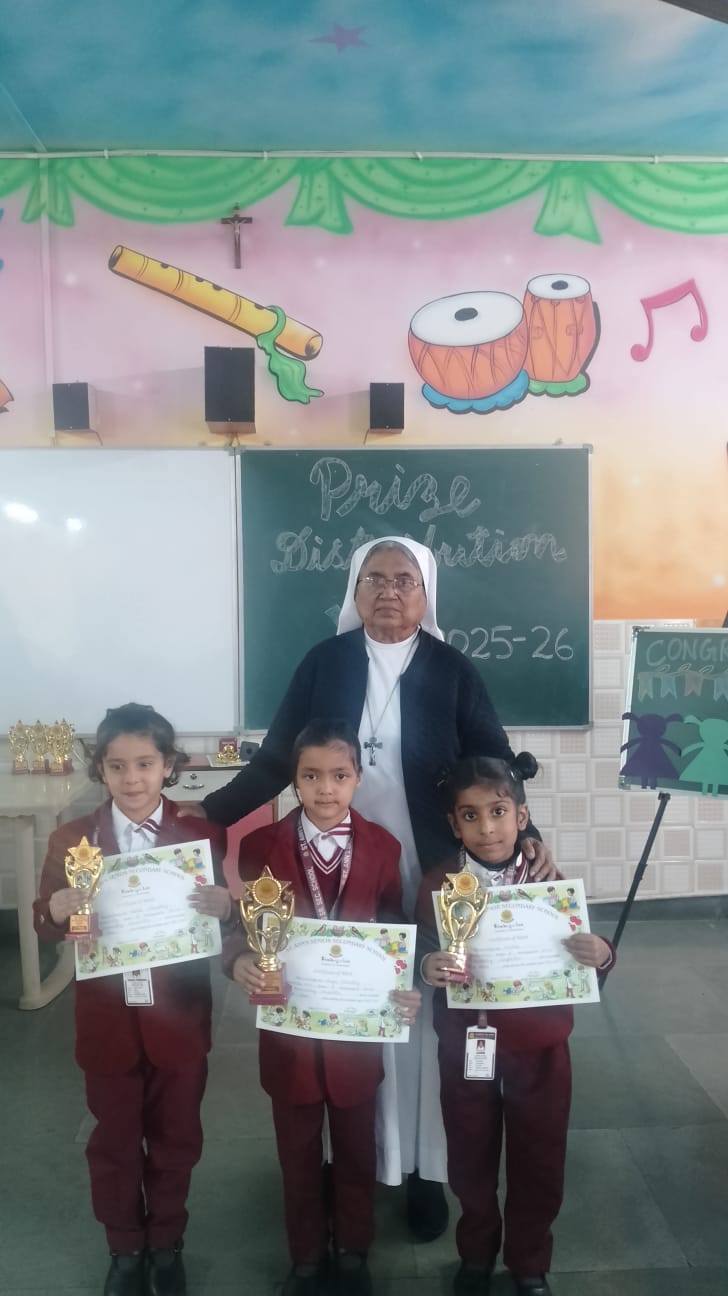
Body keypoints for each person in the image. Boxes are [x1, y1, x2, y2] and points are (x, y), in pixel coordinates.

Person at [182, 536, 553, 1239]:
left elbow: (493, 760)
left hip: (433, 867)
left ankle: (424, 1170)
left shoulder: (451, 668)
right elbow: (276, 760)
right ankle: (347, 1160)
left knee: (425, 1012)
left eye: (405, 580)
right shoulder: (325, 663)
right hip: (340, 868)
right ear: (354, 592)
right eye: (375, 579)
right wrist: (203, 816)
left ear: (426, 593)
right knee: (342, 1002)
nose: (389, 591)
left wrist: (528, 834)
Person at [33, 703, 231, 1296]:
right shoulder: (72, 839)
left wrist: (227, 908)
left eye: (145, 763)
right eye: (117, 765)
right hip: (107, 1022)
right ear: (100, 768)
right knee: (115, 1140)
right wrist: (56, 911)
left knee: (177, 1137)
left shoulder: (200, 836)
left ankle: (166, 1240)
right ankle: (124, 1247)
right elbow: (45, 920)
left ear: (168, 765)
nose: (132, 778)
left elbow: (221, 915)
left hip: (180, 1018)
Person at [223, 719, 420, 1296]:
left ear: (358, 778)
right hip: (289, 1029)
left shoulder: (384, 847)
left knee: (357, 1148)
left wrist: (403, 982)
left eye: (339, 775)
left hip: (357, 1032)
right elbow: (243, 928)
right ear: (294, 779)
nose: (326, 789)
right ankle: (305, 1257)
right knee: (297, 1151)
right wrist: (237, 960)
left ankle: (354, 1251)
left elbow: (394, 928)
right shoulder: (260, 847)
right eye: (311, 776)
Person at [416, 754, 615, 1296]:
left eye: (499, 812)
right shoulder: (438, 884)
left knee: (540, 1157)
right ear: (454, 824)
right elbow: (422, 955)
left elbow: (584, 950)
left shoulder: (550, 881)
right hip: (467, 1047)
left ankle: (529, 1263)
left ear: (522, 816)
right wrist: (428, 966)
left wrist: (601, 952)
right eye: (471, 816)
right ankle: (476, 1255)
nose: (487, 828)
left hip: (541, 1046)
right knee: (469, 1156)